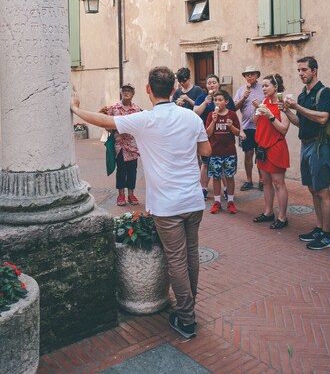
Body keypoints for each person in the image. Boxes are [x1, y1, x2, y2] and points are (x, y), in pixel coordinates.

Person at [71, 66, 211, 338]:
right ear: (174, 90)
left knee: (177, 260)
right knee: (191, 254)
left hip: (168, 205)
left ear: (148, 90)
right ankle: (188, 307)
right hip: (194, 200)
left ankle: (186, 317)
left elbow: (105, 123)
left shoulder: (144, 119)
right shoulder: (191, 118)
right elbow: (206, 150)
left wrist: (75, 110)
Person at [283, 56, 330, 250]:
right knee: (313, 189)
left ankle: (327, 236)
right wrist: (288, 111)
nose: (301, 74)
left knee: (323, 190)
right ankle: (320, 228)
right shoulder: (303, 94)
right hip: (305, 145)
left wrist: (297, 107)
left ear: (314, 71)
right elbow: (299, 122)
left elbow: (323, 118)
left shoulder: (324, 92)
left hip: (320, 146)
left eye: (304, 70)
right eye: (299, 70)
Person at [252, 74, 290, 229]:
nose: (263, 88)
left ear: (276, 87)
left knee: (278, 183)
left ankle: (282, 217)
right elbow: (256, 122)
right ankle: (268, 212)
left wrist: (270, 116)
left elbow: (284, 129)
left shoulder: (282, 105)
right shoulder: (264, 102)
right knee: (266, 181)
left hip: (276, 146)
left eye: (266, 85)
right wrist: (258, 110)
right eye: (262, 86)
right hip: (262, 146)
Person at [194, 74, 236, 201]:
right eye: (209, 83)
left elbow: (232, 113)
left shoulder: (226, 98)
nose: (211, 85)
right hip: (207, 135)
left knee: (223, 165)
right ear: (206, 86)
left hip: (224, 137)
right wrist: (205, 103)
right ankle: (204, 188)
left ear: (218, 84)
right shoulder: (202, 97)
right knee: (205, 163)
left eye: (214, 82)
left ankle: (226, 189)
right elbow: (195, 112)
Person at [103, 83, 142, 206]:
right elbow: (107, 126)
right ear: (121, 93)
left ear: (133, 94)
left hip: (132, 146)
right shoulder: (114, 108)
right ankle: (121, 195)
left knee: (132, 171)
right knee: (121, 171)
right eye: (124, 90)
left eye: (129, 91)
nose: (126, 92)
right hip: (119, 146)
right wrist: (111, 127)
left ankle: (131, 194)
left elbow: (140, 126)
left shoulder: (137, 110)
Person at [206, 90, 240, 214]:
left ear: (226, 102)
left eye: (220, 100)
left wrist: (231, 126)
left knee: (229, 177)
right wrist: (214, 122)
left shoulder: (232, 114)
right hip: (215, 151)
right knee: (216, 178)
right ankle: (217, 202)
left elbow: (237, 133)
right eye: (215, 100)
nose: (217, 102)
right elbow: (208, 134)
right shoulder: (211, 115)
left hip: (229, 151)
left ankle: (230, 201)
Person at [234, 66, 265, 192]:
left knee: (260, 154)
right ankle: (248, 180)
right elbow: (234, 107)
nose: (249, 76)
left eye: (252, 74)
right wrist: (243, 98)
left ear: (257, 75)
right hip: (247, 127)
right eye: (247, 74)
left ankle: (262, 180)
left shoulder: (263, 89)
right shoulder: (241, 90)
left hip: (261, 127)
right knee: (248, 154)